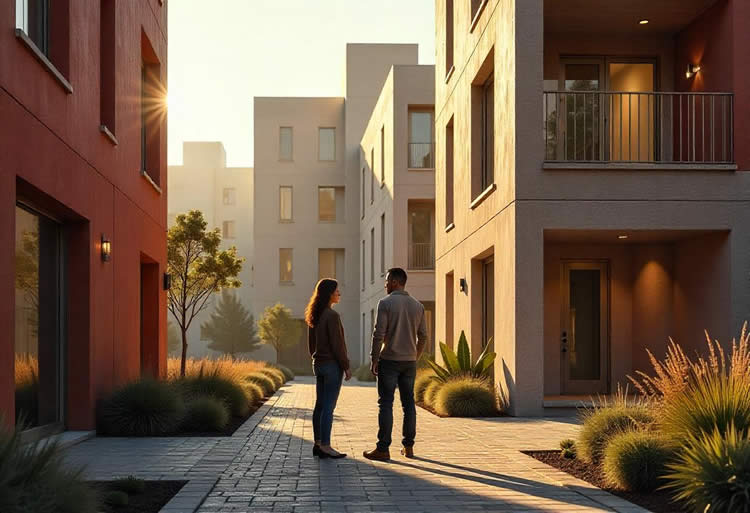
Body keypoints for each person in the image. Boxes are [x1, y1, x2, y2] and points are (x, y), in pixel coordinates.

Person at [363, 268, 428, 462]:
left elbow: (378, 334)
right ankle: (408, 447)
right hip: (409, 362)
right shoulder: (418, 305)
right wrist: (414, 356)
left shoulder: (385, 303)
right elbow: (423, 336)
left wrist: (374, 358)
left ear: (393, 281)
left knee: (386, 404)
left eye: (386, 281)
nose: (385, 285)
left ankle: (383, 449)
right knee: (409, 404)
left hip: (389, 361)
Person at [306, 278, 352, 459]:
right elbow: (338, 345)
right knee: (328, 407)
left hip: (318, 365)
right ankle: (326, 445)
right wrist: (346, 366)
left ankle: (317, 443)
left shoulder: (314, 315)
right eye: (336, 291)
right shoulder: (332, 316)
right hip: (332, 366)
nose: (339, 293)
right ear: (329, 294)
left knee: (319, 406)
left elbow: (311, 346)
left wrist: (317, 358)